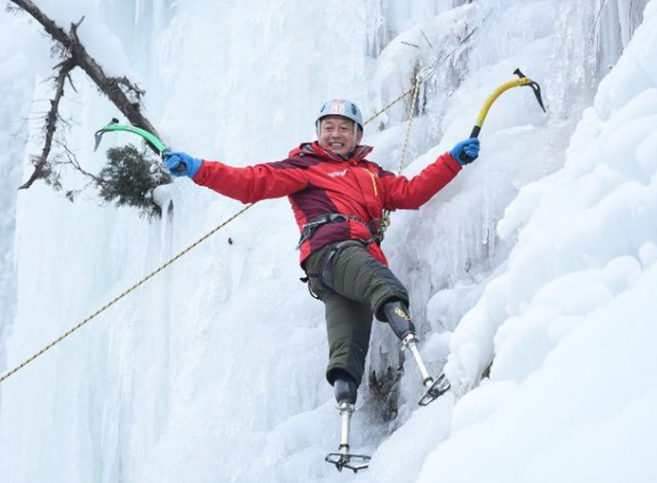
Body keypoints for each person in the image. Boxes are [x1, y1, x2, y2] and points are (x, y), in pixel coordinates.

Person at [163, 99, 479, 470]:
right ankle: (427, 376)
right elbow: (251, 182)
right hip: (332, 251)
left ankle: (344, 441)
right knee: (385, 287)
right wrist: (198, 169)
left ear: (358, 135)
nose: (335, 135)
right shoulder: (304, 167)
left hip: (345, 265)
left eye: (344, 128)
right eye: (328, 127)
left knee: (348, 346)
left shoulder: (373, 175)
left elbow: (411, 193)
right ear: (318, 133)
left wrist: (452, 160)